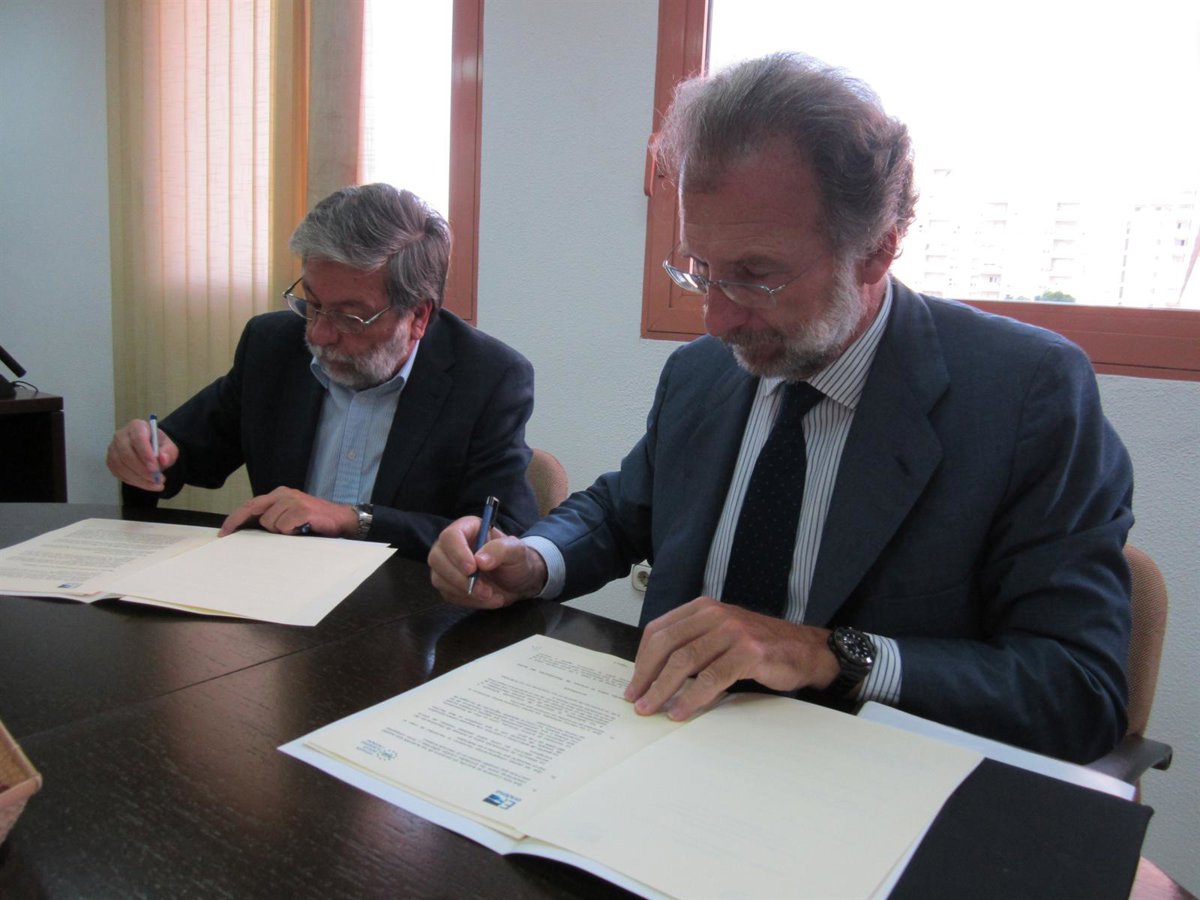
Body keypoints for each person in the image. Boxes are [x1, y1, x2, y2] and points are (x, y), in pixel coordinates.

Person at [427, 53, 1136, 764]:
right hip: (665, 750)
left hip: (862, 779)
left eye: (756, 275)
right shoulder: (703, 373)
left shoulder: (1024, 394)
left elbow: (1078, 689)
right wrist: (532, 558)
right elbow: (623, 511)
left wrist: (829, 654)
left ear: (877, 249)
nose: (716, 320)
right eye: (701, 270)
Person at [108, 183, 539, 560]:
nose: (319, 333)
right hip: (277, 595)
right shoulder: (272, 346)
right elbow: (186, 451)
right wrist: (148, 455)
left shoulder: (487, 378)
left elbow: (501, 537)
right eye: (312, 304)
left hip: (405, 609)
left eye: (351, 317)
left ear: (418, 316)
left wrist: (355, 519)